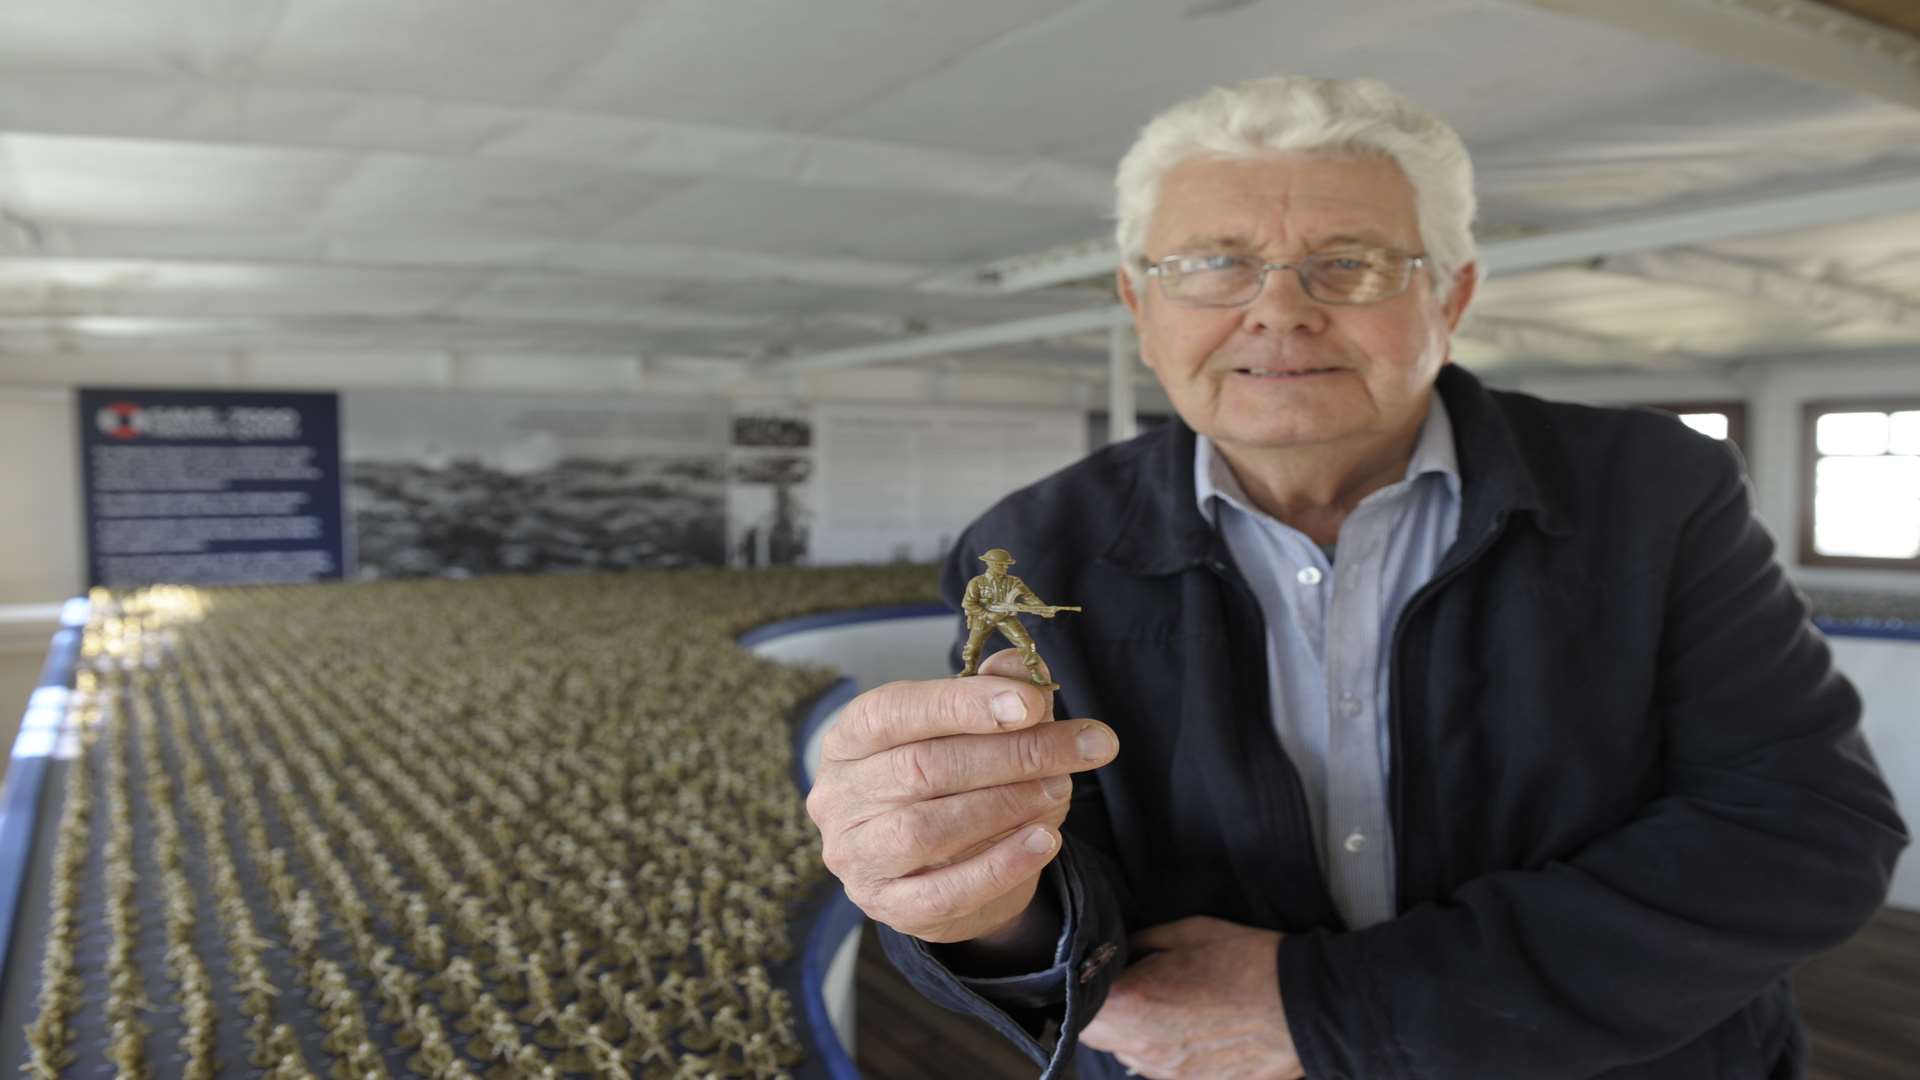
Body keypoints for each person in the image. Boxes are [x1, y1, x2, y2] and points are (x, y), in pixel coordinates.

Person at [802, 76, 1908, 1079]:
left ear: (1452, 298)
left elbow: (1802, 830)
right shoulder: (1032, 548)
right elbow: (1058, 906)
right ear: (1142, 309)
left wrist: (1329, 1008)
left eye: (1352, 261)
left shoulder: (1656, 492)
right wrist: (983, 899)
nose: (1278, 308)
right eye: (1211, 264)